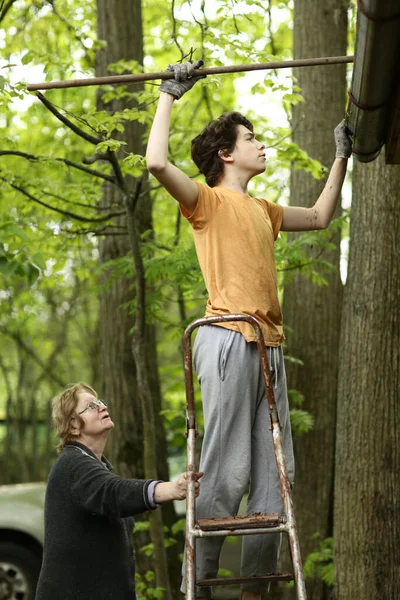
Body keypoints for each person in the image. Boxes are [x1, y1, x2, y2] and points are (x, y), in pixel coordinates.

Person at [146, 60, 352, 600]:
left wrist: (340, 157)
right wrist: (169, 93)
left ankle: (255, 588)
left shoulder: (264, 208)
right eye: (251, 138)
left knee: (275, 478)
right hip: (229, 336)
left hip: (270, 347)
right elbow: (155, 161)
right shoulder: (207, 202)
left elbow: (323, 216)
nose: (261, 145)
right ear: (226, 154)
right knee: (227, 469)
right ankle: (204, 580)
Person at [35, 382, 202, 600]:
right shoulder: (72, 463)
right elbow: (113, 493)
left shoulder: (94, 466)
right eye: (91, 405)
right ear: (74, 425)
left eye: (101, 402)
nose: (102, 406)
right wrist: (172, 488)